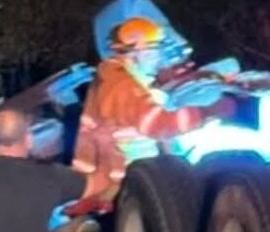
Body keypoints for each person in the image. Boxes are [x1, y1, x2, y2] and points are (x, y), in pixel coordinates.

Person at [68, 16, 234, 213]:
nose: (159, 57)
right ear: (135, 52)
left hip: (121, 183)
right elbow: (155, 123)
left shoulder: (123, 77)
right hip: (113, 189)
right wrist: (208, 112)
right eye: (153, 50)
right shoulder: (120, 85)